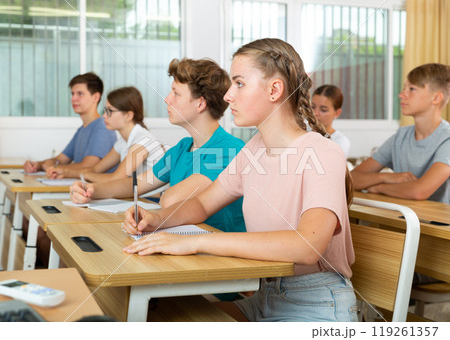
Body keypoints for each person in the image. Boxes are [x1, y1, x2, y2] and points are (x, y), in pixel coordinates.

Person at [121, 38, 357, 322]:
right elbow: (202, 205)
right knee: (164, 317)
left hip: (317, 303)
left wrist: (196, 242)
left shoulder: (323, 152)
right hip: (264, 295)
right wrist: (156, 219)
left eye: (239, 84)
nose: (228, 95)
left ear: (274, 90)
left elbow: (306, 246)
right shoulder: (253, 150)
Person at [70, 58, 246, 234]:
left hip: (218, 256)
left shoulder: (228, 149)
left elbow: (171, 201)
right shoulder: (182, 148)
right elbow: (136, 185)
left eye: (176, 93)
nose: (167, 99)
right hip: (185, 244)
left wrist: (162, 197)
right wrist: (90, 190)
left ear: (200, 103)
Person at [351, 63, 450, 204]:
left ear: (436, 98)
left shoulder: (447, 139)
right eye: (404, 88)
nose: (402, 95)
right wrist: (386, 178)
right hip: (403, 219)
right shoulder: (401, 137)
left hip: (438, 224)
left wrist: (379, 187)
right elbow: (351, 178)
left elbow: (420, 191)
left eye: (412, 89)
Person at [49, 86, 165, 182]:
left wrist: (83, 175)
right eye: (104, 111)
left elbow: (117, 178)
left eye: (109, 111)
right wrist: (64, 172)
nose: (104, 116)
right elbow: (96, 169)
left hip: (152, 202)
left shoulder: (142, 140)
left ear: (128, 116)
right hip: (139, 199)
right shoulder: (123, 141)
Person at [23, 72, 117, 177]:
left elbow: (88, 166)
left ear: (95, 97)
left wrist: (53, 168)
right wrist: (37, 165)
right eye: (73, 94)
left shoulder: (102, 127)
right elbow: (61, 160)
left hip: (95, 191)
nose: (73, 99)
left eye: (80, 94)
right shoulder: (82, 129)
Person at [311, 85, 350, 158]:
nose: (315, 113)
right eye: (313, 107)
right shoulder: (300, 132)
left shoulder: (340, 141)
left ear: (337, 113)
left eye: (323, 110)